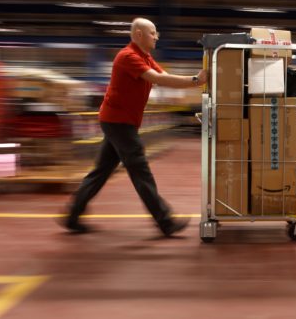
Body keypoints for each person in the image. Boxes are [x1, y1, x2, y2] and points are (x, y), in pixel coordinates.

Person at [60, 17, 208, 236]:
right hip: (118, 122)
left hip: (118, 121)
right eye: (153, 33)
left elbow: (163, 77)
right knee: (140, 170)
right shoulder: (128, 57)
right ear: (139, 34)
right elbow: (158, 79)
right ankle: (165, 221)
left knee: (101, 171)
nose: (157, 37)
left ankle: (72, 216)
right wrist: (197, 79)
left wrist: (196, 79)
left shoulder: (145, 57)